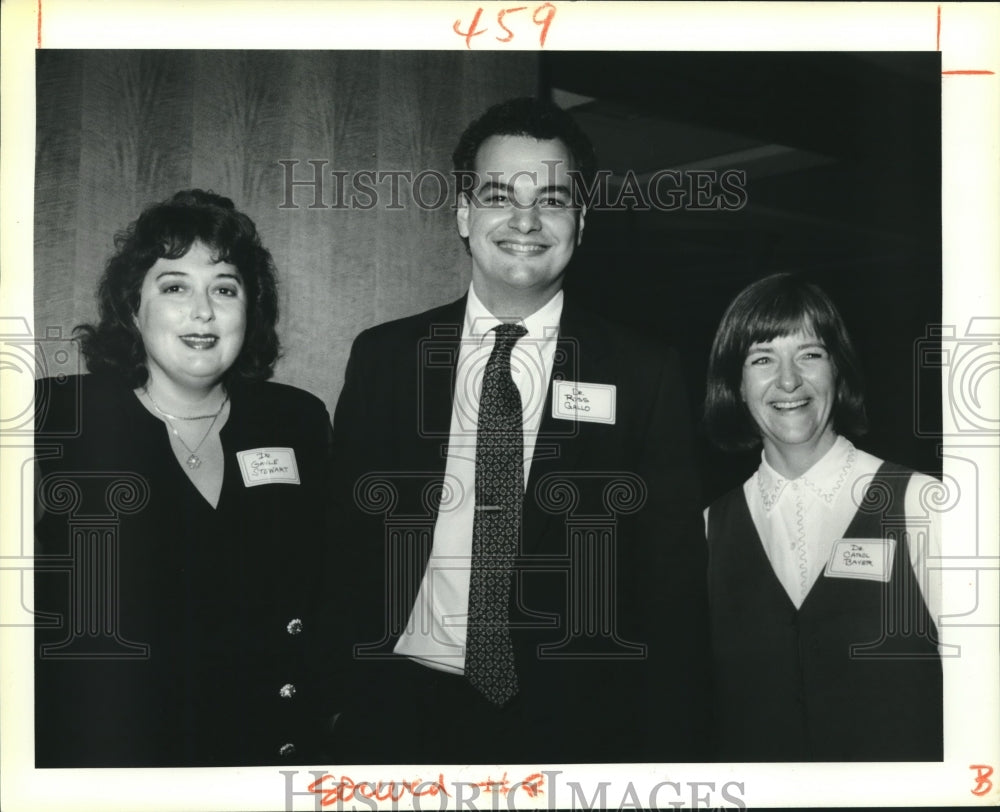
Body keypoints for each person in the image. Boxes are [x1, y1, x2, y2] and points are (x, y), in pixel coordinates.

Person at [326, 97, 711, 764]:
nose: (527, 219)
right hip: (397, 708)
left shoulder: (644, 373)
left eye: (554, 199)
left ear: (581, 221)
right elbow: (341, 545)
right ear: (464, 212)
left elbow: (671, 585)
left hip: (577, 723)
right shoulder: (385, 357)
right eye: (500, 194)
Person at [34, 189, 332, 767]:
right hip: (106, 762)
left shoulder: (296, 419)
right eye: (174, 287)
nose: (203, 312)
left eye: (225, 288)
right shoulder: (57, 419)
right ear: (132, 308)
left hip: (259, 750)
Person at [703, 272, 943, 761]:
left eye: (810, 354)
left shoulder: (922, 504)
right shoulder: (709, 530)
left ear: (838, 368)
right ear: (737, 384)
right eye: (762, 359)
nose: (788, 380)